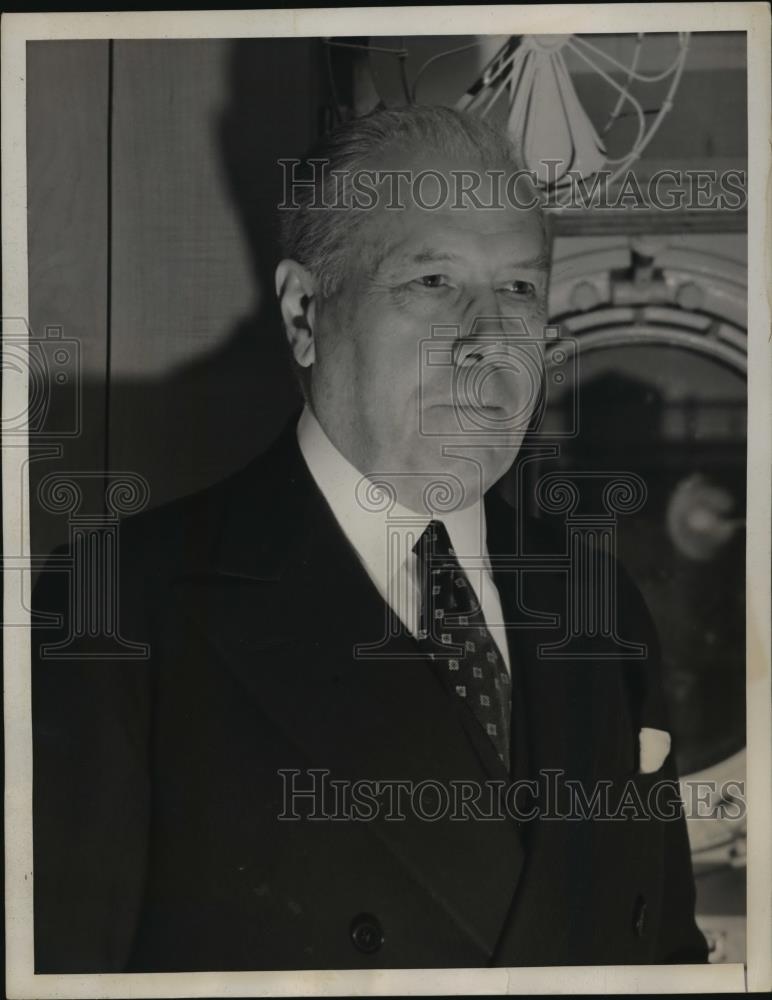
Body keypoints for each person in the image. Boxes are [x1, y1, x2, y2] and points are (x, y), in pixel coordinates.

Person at [32, 105, 708, 972]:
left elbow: (671, 962)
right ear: (305, 312)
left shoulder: (596, 598)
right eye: (433, 283)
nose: (488, 342)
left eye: (519, 289)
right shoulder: (118, 606)